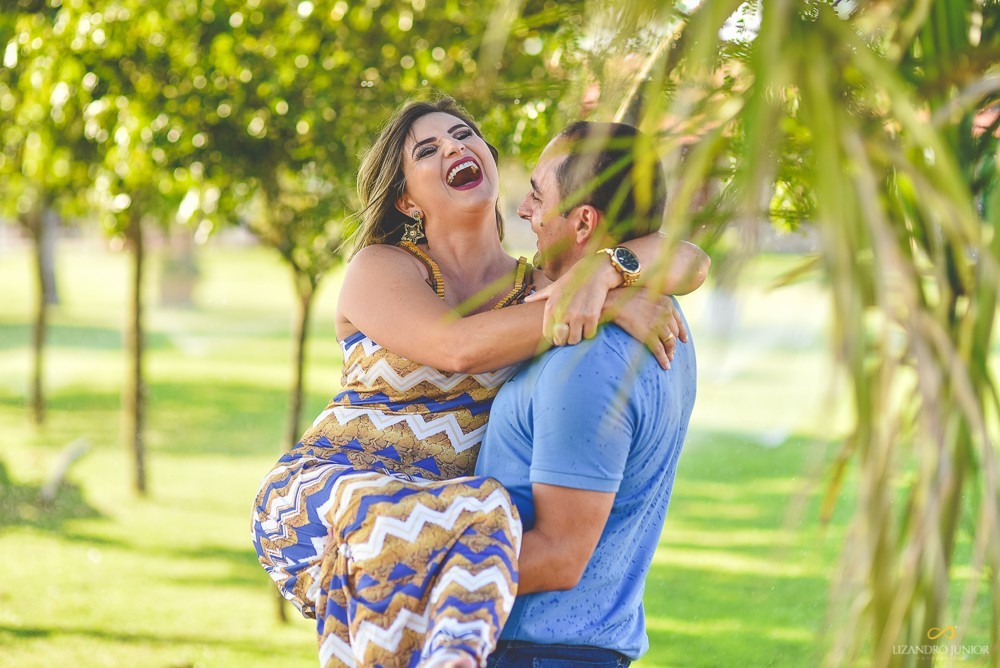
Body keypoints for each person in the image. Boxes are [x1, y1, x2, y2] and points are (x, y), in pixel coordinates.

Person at [251, 98, 708, 668]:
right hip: (332, 496)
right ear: (405, 199)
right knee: (402, 534)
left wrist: (605, 269)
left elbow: (690, 260)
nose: (454, 148)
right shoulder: (382, 268)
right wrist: (609, 306)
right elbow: (457, 348)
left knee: (466, 557)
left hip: (447, 516)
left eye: (464, 135)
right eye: (428, 149)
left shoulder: (542, 285)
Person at [476, 121, 699, 667]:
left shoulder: (587, 360)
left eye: (537, 192)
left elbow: (560, 556)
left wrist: (410, 570)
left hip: (538, 653)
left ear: (582, 221)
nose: (525, 209)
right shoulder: (655, 312)